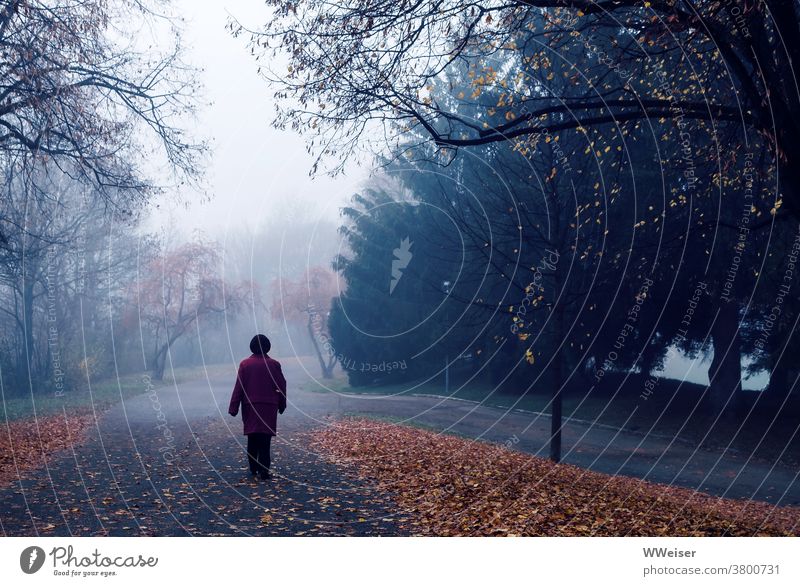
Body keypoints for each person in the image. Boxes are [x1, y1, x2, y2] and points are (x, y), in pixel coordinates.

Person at [228, 334, 287, 480]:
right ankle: (264, 470)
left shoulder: (245, 365)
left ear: (252, 347)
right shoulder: (274, 364)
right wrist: (282, 403)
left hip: (251, 406)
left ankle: (254, 468)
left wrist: (233, 407)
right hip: (269, 406)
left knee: (252, 437)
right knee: (265, 439)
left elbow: (239, 387)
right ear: (268, 347)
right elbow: (281, 385)